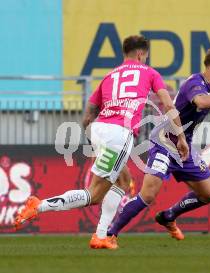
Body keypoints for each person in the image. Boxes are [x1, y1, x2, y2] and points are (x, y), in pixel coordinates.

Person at [14, 35, 189, 250]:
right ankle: (39, 205)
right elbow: (168, 105)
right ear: (142, 54)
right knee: (94, 194)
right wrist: (180, 136)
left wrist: (98, 144)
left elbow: (87, 117)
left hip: (99, 129)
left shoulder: (109, 76)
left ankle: (101, 235)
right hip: (120, 134)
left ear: (125, 53)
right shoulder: (150, 73)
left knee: (123, 181)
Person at [106, 47, 210, 245]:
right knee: (147, 195)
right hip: (165, 143)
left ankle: (169, 215)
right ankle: (110, 233)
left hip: (185, 146)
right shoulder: (195, 83)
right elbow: (201, 102)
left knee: (209, 194)